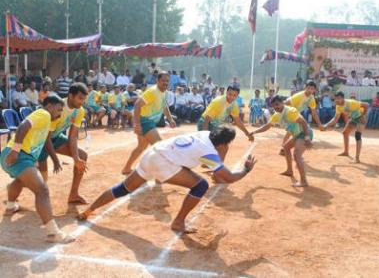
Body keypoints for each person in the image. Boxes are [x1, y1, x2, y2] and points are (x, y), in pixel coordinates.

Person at [77, 126, 257, 233]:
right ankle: (178, 222)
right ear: (225, 143)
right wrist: (246, 170)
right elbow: (229, 177)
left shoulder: (204, 133)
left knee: (123, 188)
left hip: (153, 153)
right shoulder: (209, 152)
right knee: (201, 185)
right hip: (164, 162)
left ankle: (89, 210)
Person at [1, 95, 74, 243]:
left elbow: (46, 141)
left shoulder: (47, 122)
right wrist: (15, 151)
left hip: (20, 156)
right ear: (50, 106)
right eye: (59, 110)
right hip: (18, 155)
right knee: (42, 190)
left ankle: (10, 206)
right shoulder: (43, 114)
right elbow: (23, 126)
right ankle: (53, 233)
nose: (60, 114)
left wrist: (54, 159)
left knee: (21, 180)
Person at [38, 83, 89, 204]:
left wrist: (76, 158)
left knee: (82, 157)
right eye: (80, 98)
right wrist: (55, 159)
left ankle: (73, 194)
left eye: (84, 99)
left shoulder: (79, 111)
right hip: (41, 140)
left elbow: (72, 136)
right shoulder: (58, 106)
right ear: (71, 96)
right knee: (41, 177)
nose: (82, 102)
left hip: (55, 137)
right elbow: (46, 137)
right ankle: (19, 185)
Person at [121, 71, 176, 175]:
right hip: (145, 121)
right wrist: (136, 124)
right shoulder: (152, 91)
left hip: (148, 122)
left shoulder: (165, 93)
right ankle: (160, 172)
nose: (165, 83)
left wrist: (170, 119)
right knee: (159, 145)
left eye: (167, 81)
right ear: (158, 81)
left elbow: (165, 107)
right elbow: (137, 104)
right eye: (163, 80)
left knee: (141, 147)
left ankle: (126, 168)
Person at [251, 95, 312, 187]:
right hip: (297, 134)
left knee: (296, 154)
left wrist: (307, 138)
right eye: (274, 106)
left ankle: (303, 181)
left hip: (304, 133)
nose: (276, 107)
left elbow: (303, 122)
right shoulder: (277, 115)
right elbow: (267, 126)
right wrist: (254, 132)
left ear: (282, 103)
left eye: (277, 104)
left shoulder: (290, 111)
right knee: (286, 147)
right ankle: (289, 171)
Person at [197, 86, 254, 159]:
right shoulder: (218, 102)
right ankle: (215, 165)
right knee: (219, 146)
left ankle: (214, 164)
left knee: (223, 146)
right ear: (226, 93)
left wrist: (247, 133)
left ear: (237, 96)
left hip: (215, 125)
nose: (231, 97)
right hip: (205, 123)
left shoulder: (234, 105)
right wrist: (204, 134)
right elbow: (207, 119)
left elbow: (237, 121)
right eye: (230, 94)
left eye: (234, 95)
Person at [323, 92, 369, 163]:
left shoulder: (351, 103)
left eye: (338, 99)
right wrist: (326, 125)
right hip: (353, 118)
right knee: (345, 133)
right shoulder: (338, 106)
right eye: (336, 99)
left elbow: (366, 105)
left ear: (343, 99)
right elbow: (335, 119)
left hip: (360, 117)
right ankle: (346, 152)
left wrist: (363, 115)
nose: (337, 101)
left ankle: (357, 158)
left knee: (357, 135)